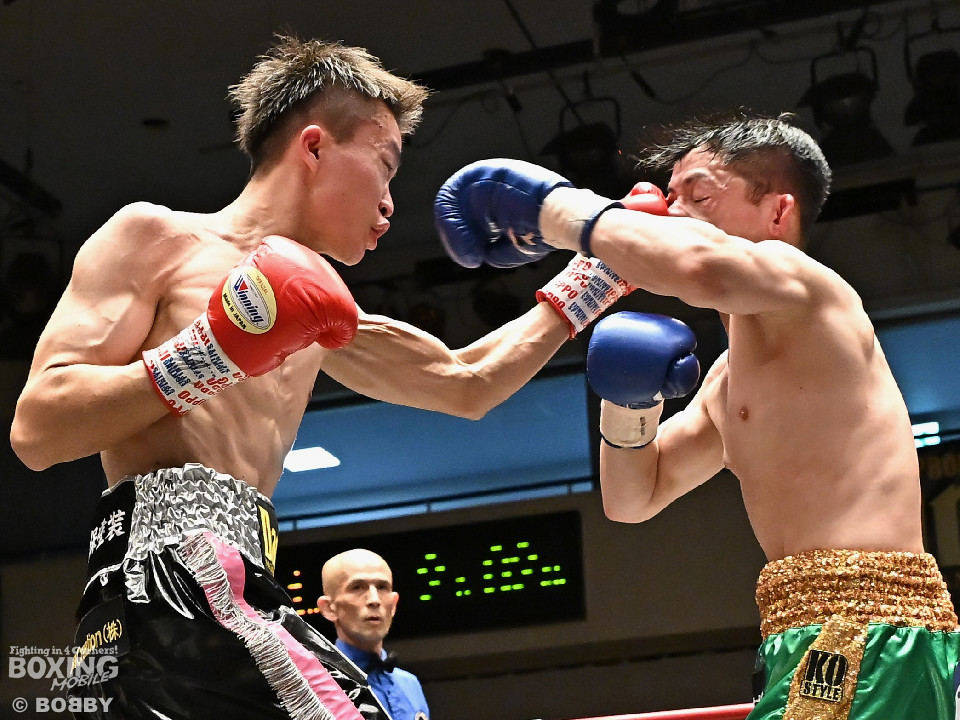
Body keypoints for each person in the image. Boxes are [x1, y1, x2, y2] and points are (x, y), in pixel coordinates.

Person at [8, 35, 635, 720]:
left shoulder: (318, 311)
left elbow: (466, 381)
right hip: (171, 579)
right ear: (314, 148)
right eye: (385, 165)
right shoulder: (157, 239)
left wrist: (599, 274)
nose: (390, 203)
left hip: (205, 596)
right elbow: (38, 428)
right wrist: (213, 351)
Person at [434, 111, 960, 719]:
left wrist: (555, 211)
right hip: (808, 630)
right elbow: (632, 500)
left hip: (864, 624)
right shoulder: (726, 382)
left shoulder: (812, 289)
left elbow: (697, 266)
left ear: (778, 212)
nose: (673, 212)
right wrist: (629, 403)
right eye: (671, 195)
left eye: (701, 195)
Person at [318, 549, 429, 720]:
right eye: (357, 587)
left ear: (393, 605)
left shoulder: (410, 684)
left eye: (382, 587)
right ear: (328, 608)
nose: (374, 600)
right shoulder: (316, 686)